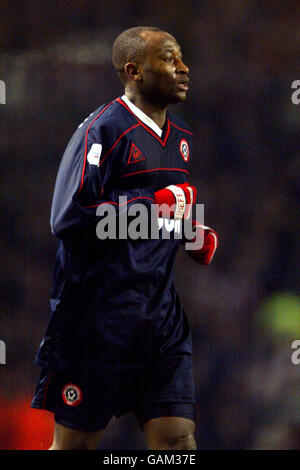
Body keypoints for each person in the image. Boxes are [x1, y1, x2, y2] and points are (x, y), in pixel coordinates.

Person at [31, 26, 218, 450]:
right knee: (75, 446)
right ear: (133, 71)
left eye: (182, 57)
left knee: (177, 441)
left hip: (160, 321)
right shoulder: (101, 130)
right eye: (170, 59)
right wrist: (155, 209)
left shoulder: (183, 139)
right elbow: (69, 217)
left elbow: (160, 212)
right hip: (95, 323)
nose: (184, 68)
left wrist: (190, 232)